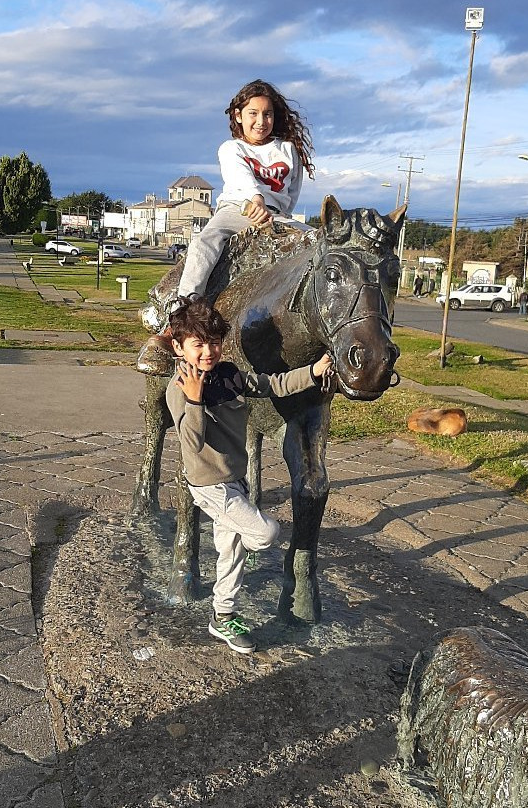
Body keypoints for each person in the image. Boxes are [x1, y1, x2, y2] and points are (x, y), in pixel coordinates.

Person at [166, 296, 333, 653]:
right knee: (265, 531)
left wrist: (314, 372)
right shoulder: (179, 389)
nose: (208, 352)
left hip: (234, 481)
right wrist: (195, 399)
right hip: (210, 486)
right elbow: (192, 445)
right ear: (178, 347)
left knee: (230, 555)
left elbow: (273, 385)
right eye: (198, 345)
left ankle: (221, 616)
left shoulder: (229, 376)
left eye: (214, 343)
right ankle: (245, 538)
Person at [176, 79, 315, 300]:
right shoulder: (232, 148)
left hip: (275, 216)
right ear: (238, 115)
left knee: (320, 241)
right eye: (253, 113)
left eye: (267, 114)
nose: (261, 121)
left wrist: (279, 213)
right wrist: (256, 199)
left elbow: (292, 191)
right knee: (205, 240)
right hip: (237, 209)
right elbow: (241, 176)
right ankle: (183, 308)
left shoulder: (288, 149)